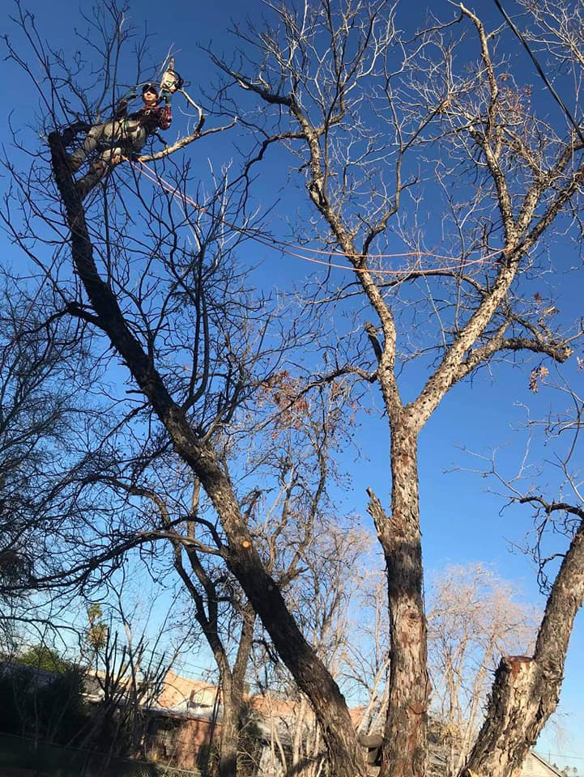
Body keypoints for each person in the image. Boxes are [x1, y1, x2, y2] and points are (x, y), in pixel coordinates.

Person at [66, 83, 173, 198]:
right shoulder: (136, 113)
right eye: (145, 92)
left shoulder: (158, 110)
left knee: (98, 129)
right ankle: (84, 185)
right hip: (127, 143)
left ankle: (76, 159)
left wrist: (168, 104)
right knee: (104, 157)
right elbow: (119, 118)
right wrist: (124, 101)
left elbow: (165, 124)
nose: (147, 93)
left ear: (157, 97)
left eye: (151, 92)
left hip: (137, 132)